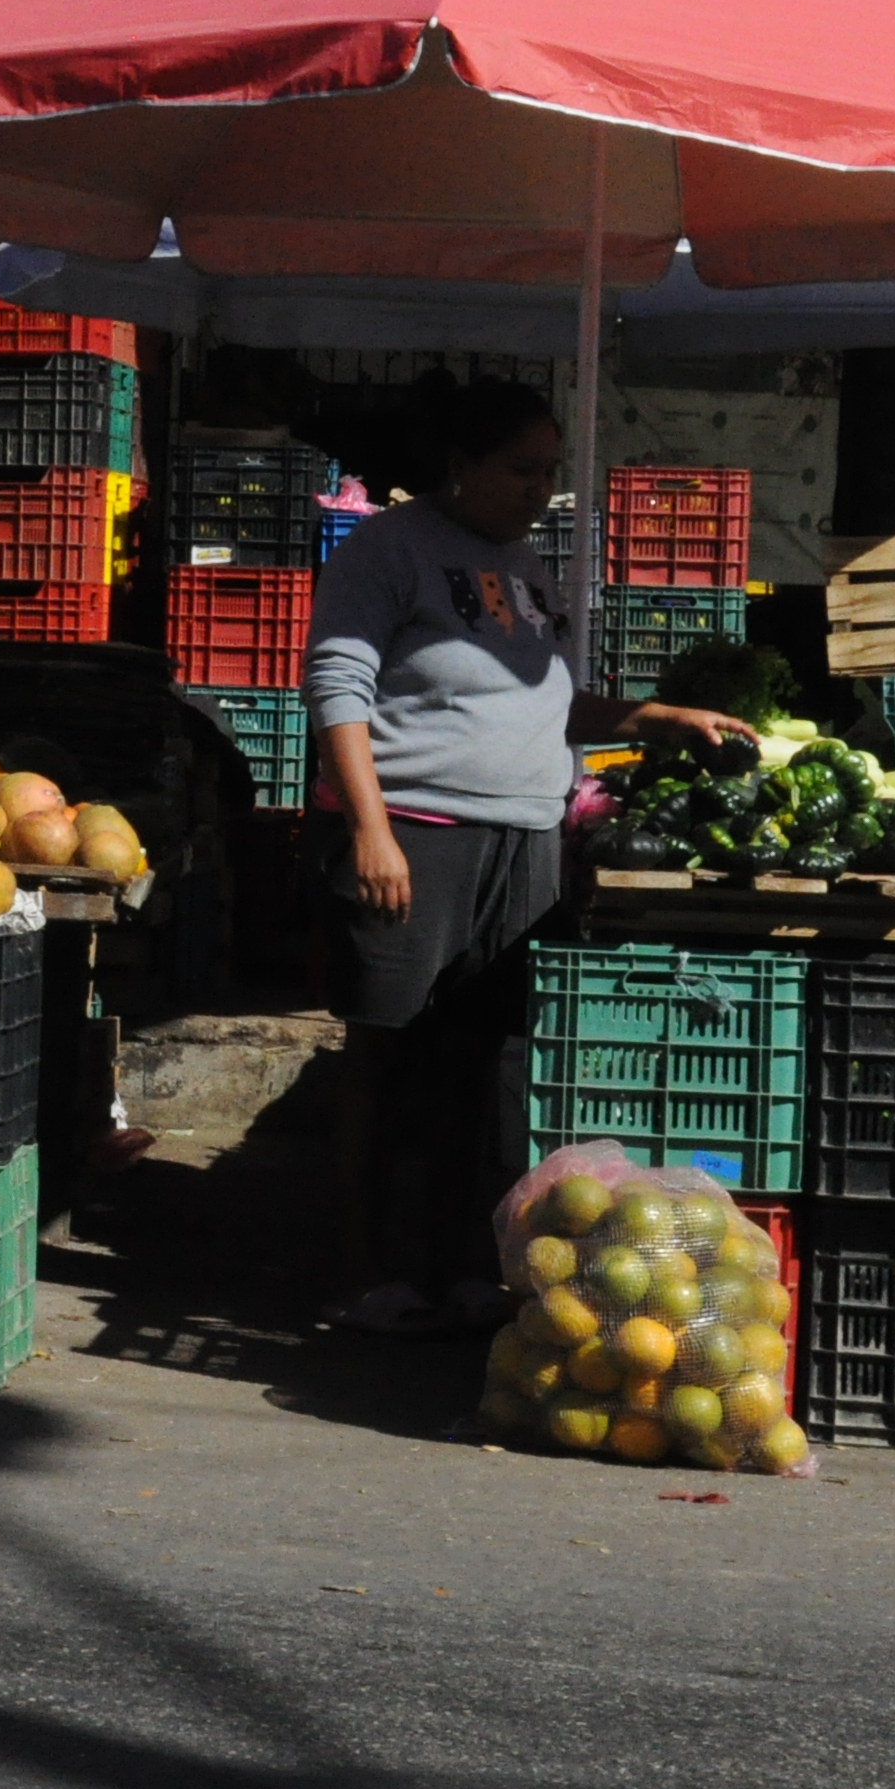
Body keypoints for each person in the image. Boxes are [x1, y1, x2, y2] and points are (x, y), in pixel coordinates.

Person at [302, 381, 749, 1333]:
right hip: (418, 835)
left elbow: (547, 708)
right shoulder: (390, 550)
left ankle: (462, 1262)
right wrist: (373, 830)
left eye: (550, 471)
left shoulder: (528, 568)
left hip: (524, 837)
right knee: (385, 1058)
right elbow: (337, 684)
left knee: (476, 1066)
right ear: (460, 463)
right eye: (522, 469)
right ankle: (360, 1269)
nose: (540, 489)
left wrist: (652, 717)